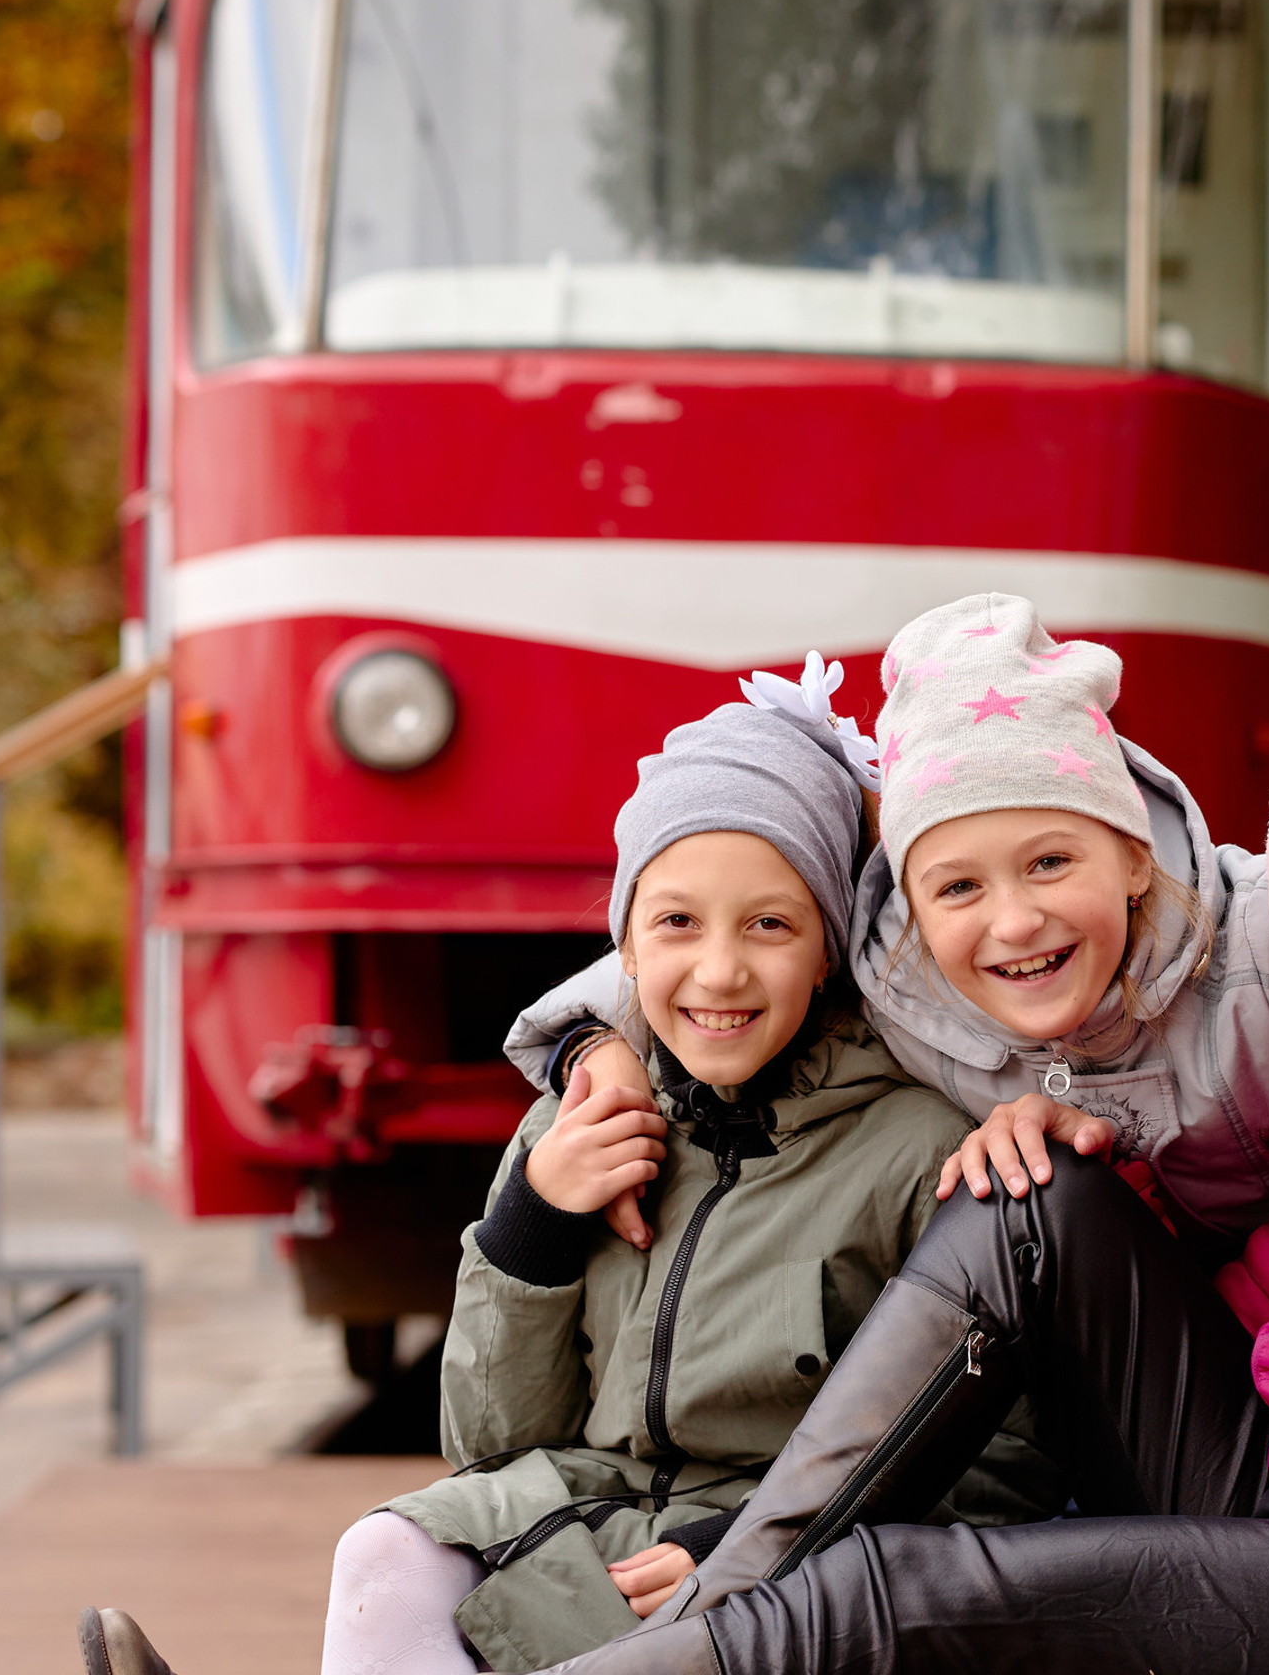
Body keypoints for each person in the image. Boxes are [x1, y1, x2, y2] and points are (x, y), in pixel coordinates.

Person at [511, 693, 1269, 1675]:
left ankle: (698, 1628)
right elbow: (740, 942)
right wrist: (1099, 1163)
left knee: (882, 1599)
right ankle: (733, 1596)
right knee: (1035, 1191)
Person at [76, 663, 1059, 1675]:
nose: (720, 969)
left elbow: (1006, 1472)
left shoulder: (919, 1151)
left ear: (829, 951)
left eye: (770, 923)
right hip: (604, 1502)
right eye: (677, 922)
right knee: (386, 1549)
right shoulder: (580, 1124)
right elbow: (489, 1445)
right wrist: (533, 1221)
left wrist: (763, 1545)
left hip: (799, 1553)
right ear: (624, 948)